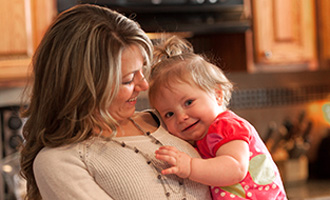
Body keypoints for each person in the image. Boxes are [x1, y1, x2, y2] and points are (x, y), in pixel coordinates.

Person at [19, 4, 212, 200]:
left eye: (142, 71)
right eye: (128, 80)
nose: (143, 85)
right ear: (83, 86)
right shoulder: (60, 162)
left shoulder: (170, 121)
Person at [148, 36, 287, 200]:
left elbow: (235, 168)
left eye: (188, 102)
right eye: (169, 114)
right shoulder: (203, 137)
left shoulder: (226, 125)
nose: (181, 117)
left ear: (218, 95)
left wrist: (190, 166)